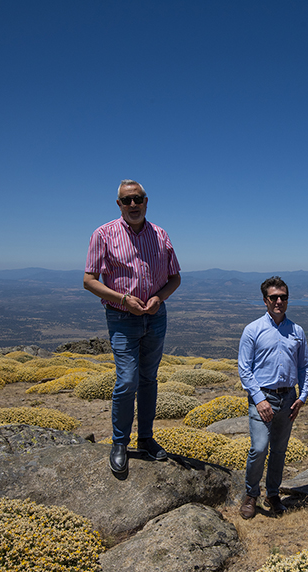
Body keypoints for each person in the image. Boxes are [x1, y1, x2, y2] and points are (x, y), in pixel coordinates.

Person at [84, 179, 181, 477]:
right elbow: (89, 280)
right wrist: (123, 299)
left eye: (137, 199)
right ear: (119, 205)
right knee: (127, 381)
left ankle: (146, 439)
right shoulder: (103, 234)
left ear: (146, 201)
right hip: (121, 318)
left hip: (155, 317)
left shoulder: (160, 235)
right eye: (127, 200)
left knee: (149, 379)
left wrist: (157, 298)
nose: (133, 205)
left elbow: (175, 278)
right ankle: (119, 443)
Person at [237, 277, 308, 520]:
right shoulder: (253, 330)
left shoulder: (297, 331)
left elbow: (305, 367)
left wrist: (302, 397)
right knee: (259, 448)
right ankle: (251, 495)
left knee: (280, 451)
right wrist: (259, 399)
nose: (279, 301)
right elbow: (244, 368)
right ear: (265, 300)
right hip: (263, 397)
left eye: (283, 297)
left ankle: (272, 494)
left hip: (289, 397)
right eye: (274, 297)